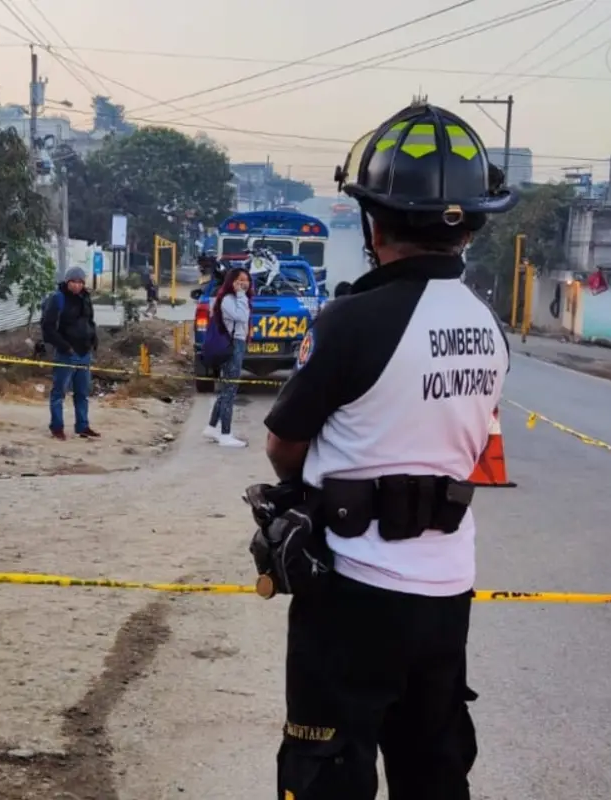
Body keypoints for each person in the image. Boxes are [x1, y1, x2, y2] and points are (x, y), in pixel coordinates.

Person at [253, 102, 516, 800]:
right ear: (472, 221)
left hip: (353, 594)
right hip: (446, 594)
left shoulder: (351, 322)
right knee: (434, 774)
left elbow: (283, 444)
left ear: (374, 221)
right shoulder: (488, 327)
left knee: (326, 776)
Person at [41, 267, 99, 441]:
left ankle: (82, 426)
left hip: (84, 353)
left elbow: (90, 321)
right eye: (74, 281)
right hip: (66, 353)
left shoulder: (85, 298)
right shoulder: (57, 299)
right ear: (67, 282)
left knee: (82, 393)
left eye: (81, 282)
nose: (77, 285)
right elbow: (48, 328)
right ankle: (57, 427)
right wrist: (65, 347)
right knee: (59, 393)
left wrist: (94, 340)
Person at [204, 267, 251, 447]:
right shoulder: (228, 300)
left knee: (227, 390)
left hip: (237, 343)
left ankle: (211, 427)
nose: (244, 283)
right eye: (239, 280)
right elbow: (242, 316)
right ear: (231, 282)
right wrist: (241, 295)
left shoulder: (238, 298)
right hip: (232, 346)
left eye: (246, 280)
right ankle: (225, 434)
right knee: (230, 391)